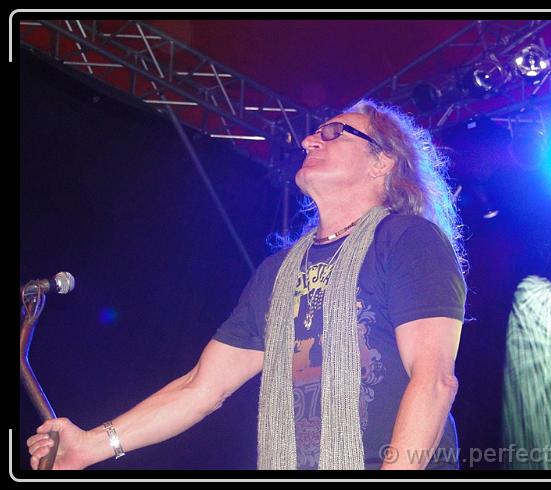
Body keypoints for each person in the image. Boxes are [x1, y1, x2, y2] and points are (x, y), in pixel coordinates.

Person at [27, 99, 467, 471]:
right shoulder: (277, 273)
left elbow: (433, 380)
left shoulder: (408, 239)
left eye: (334, 133)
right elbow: (201, 387)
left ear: (382, 161)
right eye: (315, 133)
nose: (309, 141)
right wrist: (90, 445)